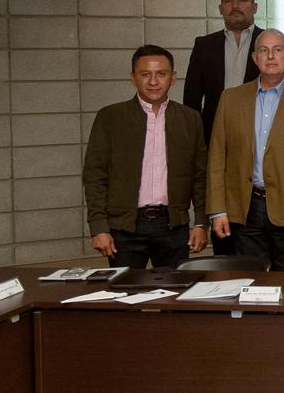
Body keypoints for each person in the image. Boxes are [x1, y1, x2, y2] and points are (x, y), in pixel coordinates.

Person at [207, 29, 284, 272]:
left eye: (278, 50)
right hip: (244, 207)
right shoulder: (230, 99)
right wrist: (217, 210)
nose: (271, 56)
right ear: (255, 58)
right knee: (251, 282)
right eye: (264, 50)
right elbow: (217, 157)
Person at [185, 0, 284, 255]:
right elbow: (192, 100)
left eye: (242, 0)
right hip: (218, 145)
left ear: (255, 6)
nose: (235, 6)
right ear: (220, 7)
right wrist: (201, 144)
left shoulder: (270, 43)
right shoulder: (204, 45)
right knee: (224, 223)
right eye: (229, 0)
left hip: (262, 147)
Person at [84, 45, 208, 269]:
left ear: (173, 78)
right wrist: (99, 227)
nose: (153, 81)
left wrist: (200, 223)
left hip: (173, 226)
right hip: (124, 228)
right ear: (133, 78)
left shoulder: (190, 119)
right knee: (126, 290)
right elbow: (95, 176)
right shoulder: (110, 118)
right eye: (145, 74)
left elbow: (200, 176)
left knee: (175, 290)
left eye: (161, 74)